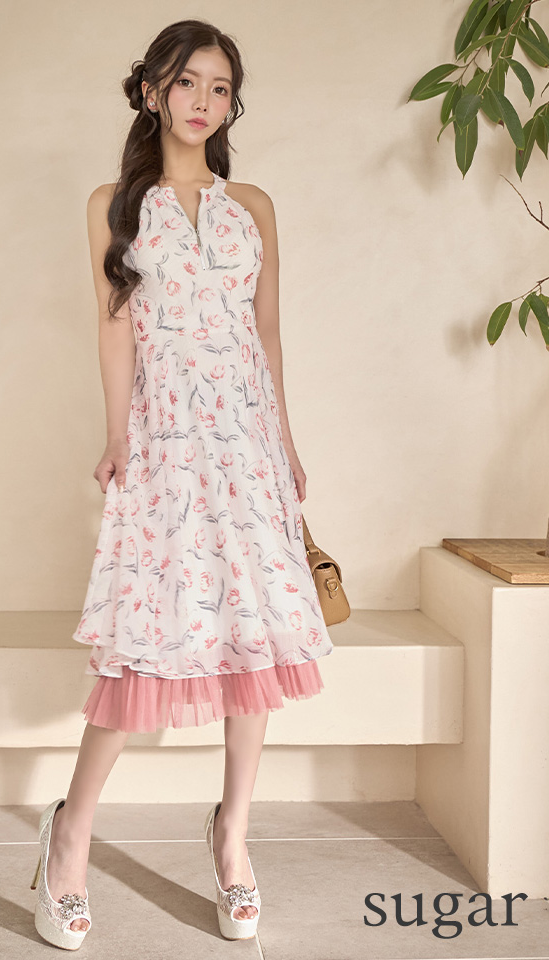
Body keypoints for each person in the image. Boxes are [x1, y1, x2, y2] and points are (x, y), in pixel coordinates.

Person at [31, 18, 334, 950]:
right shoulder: (114, 206)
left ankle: (233, 840)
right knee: (141, 642)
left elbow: (266, 335)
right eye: (189, 82)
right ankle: (69, 839)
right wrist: (117, 434)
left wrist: (284, 444)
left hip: (247, 444)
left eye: (221, 88)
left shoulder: (254, 207)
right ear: (153, 91)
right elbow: (115, 325)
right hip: (166, 441)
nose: (205, 102)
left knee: (254, 639)